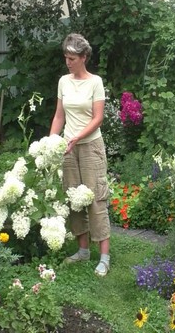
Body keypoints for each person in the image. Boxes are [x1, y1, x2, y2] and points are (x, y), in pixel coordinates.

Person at [49, 33, 111, 277]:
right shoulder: (63, 81)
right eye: (66, 57)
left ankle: (104, 256)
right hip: (68, 148)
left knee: (96, 199)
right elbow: (59, 116)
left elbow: (98, 118)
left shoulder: (95, 82)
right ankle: (83, 250)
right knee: (74, 198)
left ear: (84, 57)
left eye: (72, 58)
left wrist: (77, 137)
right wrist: (52, 142)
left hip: (90, 147)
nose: (68, 62)